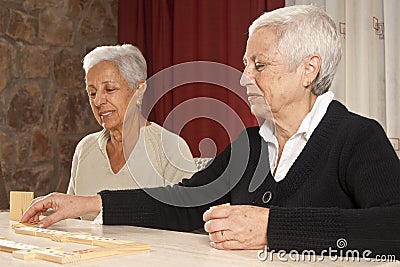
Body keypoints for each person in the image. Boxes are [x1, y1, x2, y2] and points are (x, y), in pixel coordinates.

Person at [22, 5, 400, 258]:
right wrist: (91, 203)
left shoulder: (357, 138)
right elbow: (185, 201)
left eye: (259, 65)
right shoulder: (250, 145)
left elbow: (393, 225)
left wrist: (272, 227)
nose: (243, 77)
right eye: (245, 63)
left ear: (309, 70)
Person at [66, 44, 197, 219]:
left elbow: (187, 217)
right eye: (92, 93)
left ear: (139, 90)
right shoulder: (85, 148)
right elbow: (69, 221)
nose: (97, 101)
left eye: (109, 89)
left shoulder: (171, 147)